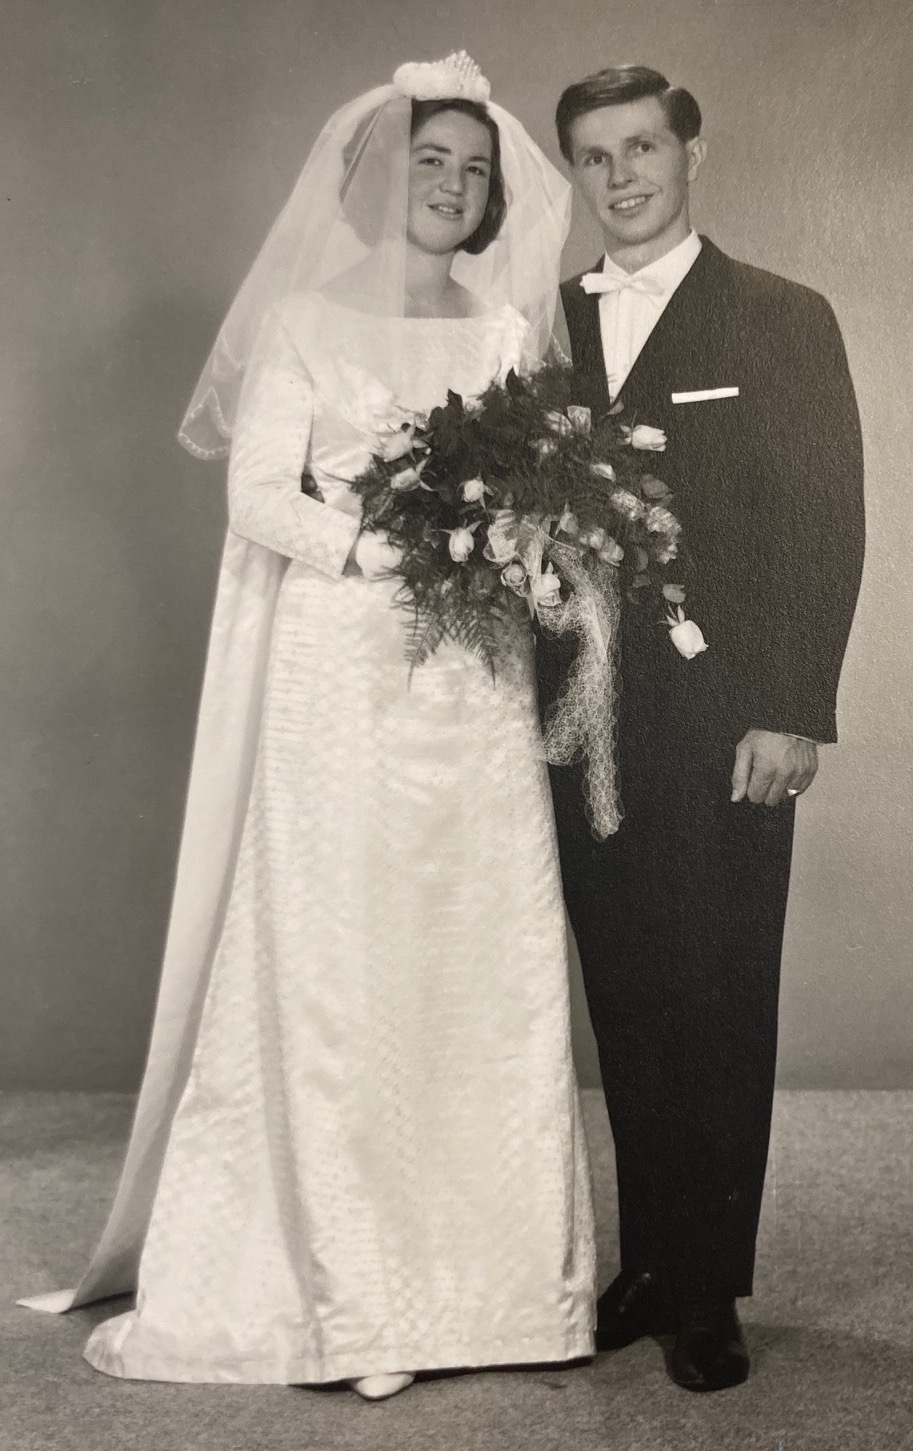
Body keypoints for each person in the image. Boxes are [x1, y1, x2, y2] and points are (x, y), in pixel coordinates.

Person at [20, 55, 594, 1401]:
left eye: (474, 171)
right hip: (341, 667)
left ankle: (502, 1290)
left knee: (473, 952)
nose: (451, 186)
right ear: (384, 176)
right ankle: (356, 1296)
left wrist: (511, 543)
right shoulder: (304, 320)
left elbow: (534, 491)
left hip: (472, 682)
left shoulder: (502, 332)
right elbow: (259, 500)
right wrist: (395, 548)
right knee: (345, 958)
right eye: (430, 162)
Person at [538, 65, 864, 1392]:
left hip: (729, 720)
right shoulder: (545, 323)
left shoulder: (781, 315)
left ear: (691, 152)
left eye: (641, 148)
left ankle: (709, 1287)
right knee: (623, 992)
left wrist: (792, 707)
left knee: (717, 993)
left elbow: (822, 525)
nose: (620, 177)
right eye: (593, 156)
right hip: (578, 724)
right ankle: (652, 1263)